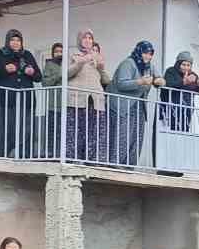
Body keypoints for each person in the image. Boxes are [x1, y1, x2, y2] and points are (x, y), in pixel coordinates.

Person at [110, 39, 163, 166]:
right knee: (123, 136)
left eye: (150, 54)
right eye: (145, 53)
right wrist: (140, 82)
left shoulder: (149, 66)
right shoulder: (129, 63)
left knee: (137, 137)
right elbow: (121, 83)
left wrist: (159, 81)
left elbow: (160, 79)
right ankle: (115, 164)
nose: (148, 56)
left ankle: (129, 166)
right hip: (124, 105)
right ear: (139, 52)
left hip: (139, 105)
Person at [0, 29, 40, 159]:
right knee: (5, 127)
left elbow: (39, 76)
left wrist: (31, 72)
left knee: (26, 128)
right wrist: (4, 69)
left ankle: (24, 155)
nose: (16, 43)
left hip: (25, 100)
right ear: (8, 41)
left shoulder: (27, 55)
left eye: (18, 40)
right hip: (6, 99)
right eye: (12, 40)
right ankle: (3, 155)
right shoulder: (1, 54)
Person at [65, 28, 109, 162]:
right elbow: (65, 74)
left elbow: (106, 80)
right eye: (85, 38)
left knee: (94, 131)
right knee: (77, 131)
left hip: (95, 100)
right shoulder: (72, 55)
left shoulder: (97, 57)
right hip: (77, 99)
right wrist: (82, 61)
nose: (88, 40)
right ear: (79, 40)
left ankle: (93, 159)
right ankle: (74, 159)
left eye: (90, 38)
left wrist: (101, 68)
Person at [160, 49, 199, 134]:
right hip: (171, 108)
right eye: (183, 64)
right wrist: (184, 82)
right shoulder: (171, 71)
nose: (186, 67)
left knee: (184, 133)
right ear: (178, 64)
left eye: (188, 65)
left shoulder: (193, 75)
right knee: (171, 133)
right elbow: (169, 85)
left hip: (187, 110)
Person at [39, 41, 64, 157]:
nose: (59, 54)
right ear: (52, 53)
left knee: (63, 131)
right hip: (53, 104)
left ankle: (62, 154)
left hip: (66, 104)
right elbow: (45, 83)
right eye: (56, 52)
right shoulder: (49, 65)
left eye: (61, 51)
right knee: (52, 130)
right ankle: (50, 153)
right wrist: (58, 76)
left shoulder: (68, 64)